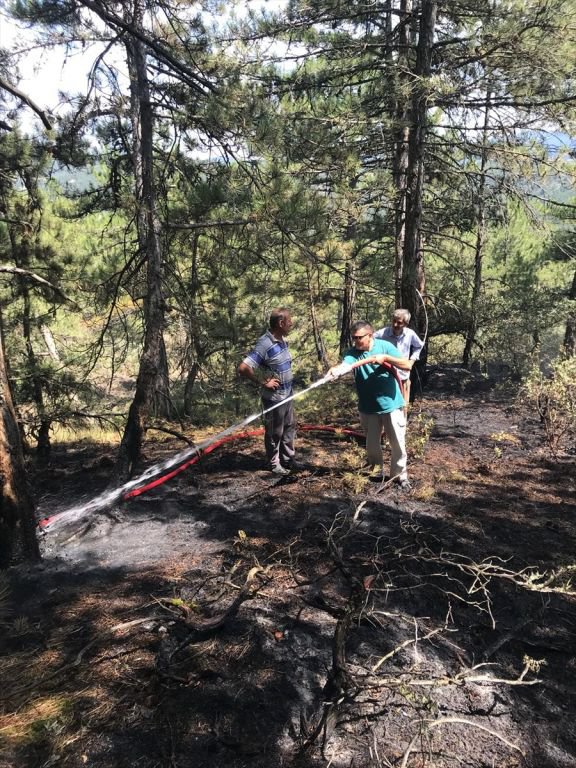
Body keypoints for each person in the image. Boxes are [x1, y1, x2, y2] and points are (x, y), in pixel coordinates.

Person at [328, 320, 412, 489]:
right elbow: (346, 364)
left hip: (391, 405)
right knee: (372, 445)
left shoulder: (384, 346)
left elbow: (407, 365)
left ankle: (399, 476)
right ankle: (376, 472)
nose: (356, 341)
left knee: (398, 444)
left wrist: (386, 358)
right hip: (368, 407)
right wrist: (335, 370)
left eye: (359, 337)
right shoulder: (352, 353)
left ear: (370, 335)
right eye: (354, 338)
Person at [238, 308, 297, 475]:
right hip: (274, 398)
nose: (291, 323)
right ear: (281, 323)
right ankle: (274, 464)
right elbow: (244, 367)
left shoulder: (282, 339)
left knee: (289, 427)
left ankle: (288, 460)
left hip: (288, 394)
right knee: (274, 432)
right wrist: (264, 382)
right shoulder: (265, 343)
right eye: (289, 321)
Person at [373, 308, 424, 409]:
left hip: (403, 376)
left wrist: (411, 361)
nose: (395, 324)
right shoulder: (383, 333)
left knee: (403, 406)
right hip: (386, 376)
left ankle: (403, 419)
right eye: (394, 321)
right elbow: (370, 341)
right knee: (388, 406)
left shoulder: (410, 334)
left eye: (399, 322)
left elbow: (419, 346)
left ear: (406, 323)